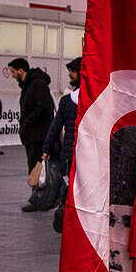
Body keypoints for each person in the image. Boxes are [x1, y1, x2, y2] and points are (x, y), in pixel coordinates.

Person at [8, 57, 55, 213]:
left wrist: (27, 121)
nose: (12, 75)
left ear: (21, 70)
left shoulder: (37, 84)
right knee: (35, 168)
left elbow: (43, 107)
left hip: (38, 134)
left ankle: (39, 199)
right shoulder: (28, 85)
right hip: (32, 134)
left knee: (37, 168)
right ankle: (39, 198)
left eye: (13, 71)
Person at [39, 58, 82, 218]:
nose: (69, 74)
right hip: (82, 152)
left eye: (72, 70)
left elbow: (55, 127)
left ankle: (66, 214)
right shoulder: (92, 99)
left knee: (73, 185)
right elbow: (55, 127)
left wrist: (46, 149)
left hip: (73, 152)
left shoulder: (67, 101)